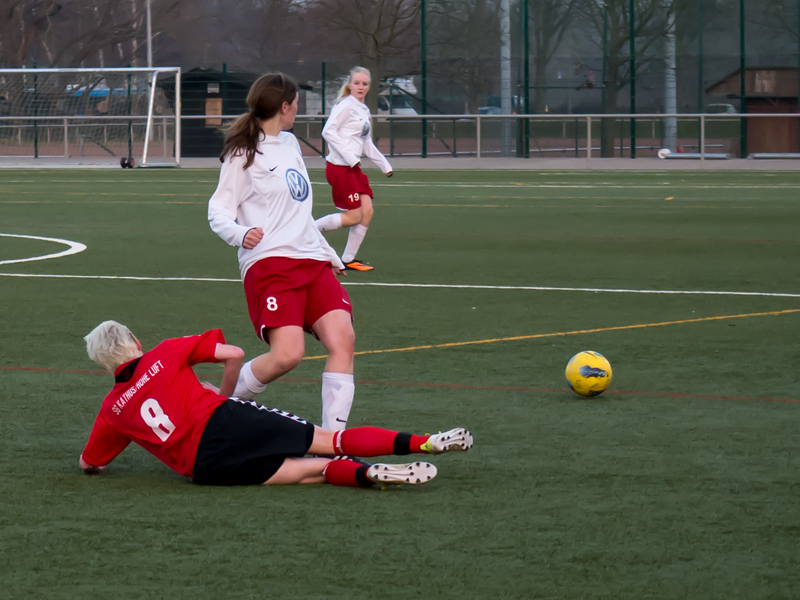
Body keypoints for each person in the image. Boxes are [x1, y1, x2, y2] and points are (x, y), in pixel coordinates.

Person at [79, 321, 474, 488]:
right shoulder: (165, 353)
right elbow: (233, 352)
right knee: (329, 442)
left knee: (312, 472)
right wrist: (224, 396)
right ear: (134, 342)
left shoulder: (112, 410)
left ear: (103, 363)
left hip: (205, 468)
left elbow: (89, 464)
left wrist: (102, 459)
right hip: (223, 419)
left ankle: (367, 476)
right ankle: (424, 442)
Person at [208, 73, 356, 432]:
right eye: (296, 103)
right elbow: (218, 210)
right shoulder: (243, 153)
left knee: (343, 340)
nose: (298, 109)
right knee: (288, 355)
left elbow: (300, 213)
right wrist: (239, 233)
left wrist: (328, 253)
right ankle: (230, 402)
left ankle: (334, 442)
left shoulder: (290, 144)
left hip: (311, 260)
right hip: (271, 264)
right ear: (284, 106)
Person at [314, 66, 393, 272]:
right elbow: (327, 132)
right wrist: (350, 157)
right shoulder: (345, 106)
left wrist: (384, 165)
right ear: (349, 85)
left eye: (364, 84)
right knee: (354, 216)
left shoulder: (364, 109)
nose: (360, 86)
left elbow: (366, 142)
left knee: (367, 212)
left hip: (353, 169)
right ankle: (309, 230)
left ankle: (348, 260)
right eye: (357, 83)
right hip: (340, 168)